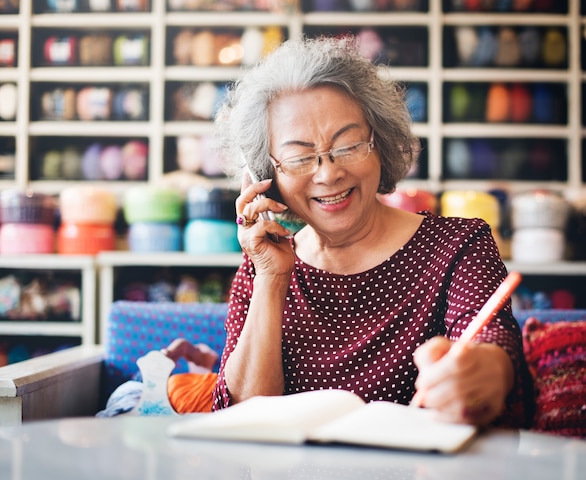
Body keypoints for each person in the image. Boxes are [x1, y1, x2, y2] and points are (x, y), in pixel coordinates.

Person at [211, 35, 534, 428]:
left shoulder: (459, 246)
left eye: (348, 146)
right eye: (299, 157)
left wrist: (484, 373)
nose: (329, 173)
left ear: (380, 143)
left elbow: (494, 349)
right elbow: (240, 422)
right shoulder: (264, 263)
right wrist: (272, 280)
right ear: (266, 175)